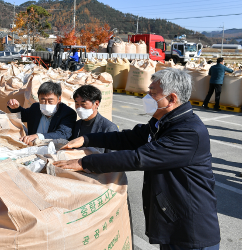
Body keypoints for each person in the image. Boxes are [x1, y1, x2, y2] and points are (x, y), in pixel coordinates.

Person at [54, 68, 220, 250]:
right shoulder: (162, 122)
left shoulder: (188, 132)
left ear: (172, 99)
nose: (147, 98)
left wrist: (84, 163)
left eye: (153, 94)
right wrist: (88, 139)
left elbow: (138, 158)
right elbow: (128, 138)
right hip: (173, 221)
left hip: (191, 227)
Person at [7, 81, 77, 145]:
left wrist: (38, 136)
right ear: (38, 98)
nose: (46, 104)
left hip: (54, 149)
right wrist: (15, 108)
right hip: (31, 146)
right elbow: (23, 116)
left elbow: (63, 134)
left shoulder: (68, 113)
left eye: (50, 101)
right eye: (43, 100)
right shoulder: (35, 107)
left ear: (59, 99)